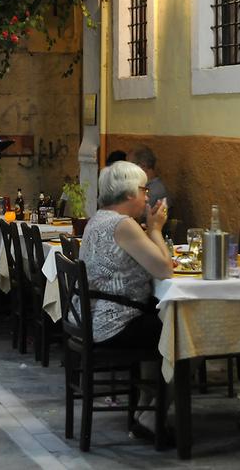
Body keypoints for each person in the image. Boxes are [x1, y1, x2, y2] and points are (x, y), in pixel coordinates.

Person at [78, 161, 174, 438]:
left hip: (92, 318)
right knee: (184, 337)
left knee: (158, 327)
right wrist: (155, 229)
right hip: (114, 323)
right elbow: (164, 268)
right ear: (130, 193)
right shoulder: (123, 225)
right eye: (144, 190)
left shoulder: (98, 219)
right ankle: (152, 418)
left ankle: (145, 409)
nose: (148, 196)